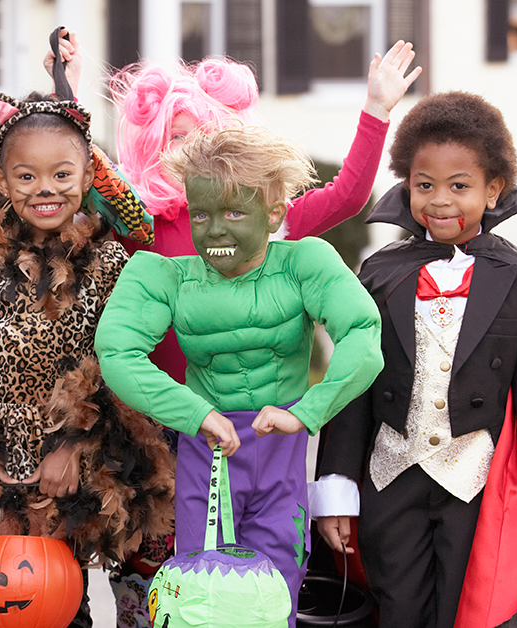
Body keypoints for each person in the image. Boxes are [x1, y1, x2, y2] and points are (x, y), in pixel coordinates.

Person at [312, 91, 517, 628]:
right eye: (425, 186)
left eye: (460, 186)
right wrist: (336, 483)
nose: (440, 201)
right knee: (394, 608)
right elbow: (351, 387)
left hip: (474, 483)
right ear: (407, 184)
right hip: (389, 479)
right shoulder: (378, 274)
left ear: (494, 190)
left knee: (464, 611)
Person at [0, 87, 176, 628]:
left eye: (62, 175)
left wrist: (74, 446)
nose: (45, 189)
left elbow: (113, 360)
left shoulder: (108, 261)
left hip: (71, 462)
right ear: (2, 182)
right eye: (27, 177)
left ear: (88, 177)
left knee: (59, 598)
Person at [95, 125, 384, 627]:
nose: (214, 230)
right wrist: (196, 412)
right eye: (201, 214)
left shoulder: (305, 262)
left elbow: (363, 335)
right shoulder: (164, 275)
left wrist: (307, 412)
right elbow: (116, 352)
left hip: (280, 456)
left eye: (234, 212)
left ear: (274, 214)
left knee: (275, 599)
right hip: (208, 454)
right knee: (206, 601)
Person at [108, 42, 419, 385]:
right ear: (153, 145)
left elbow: (347, 196)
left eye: (205, 133)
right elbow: (68, 196)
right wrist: (64, 94)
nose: (192, 149)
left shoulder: (266, 219)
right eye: (178, 136)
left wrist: (376, 109)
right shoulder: (135, 222)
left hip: (247, 417)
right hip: (157, 417)